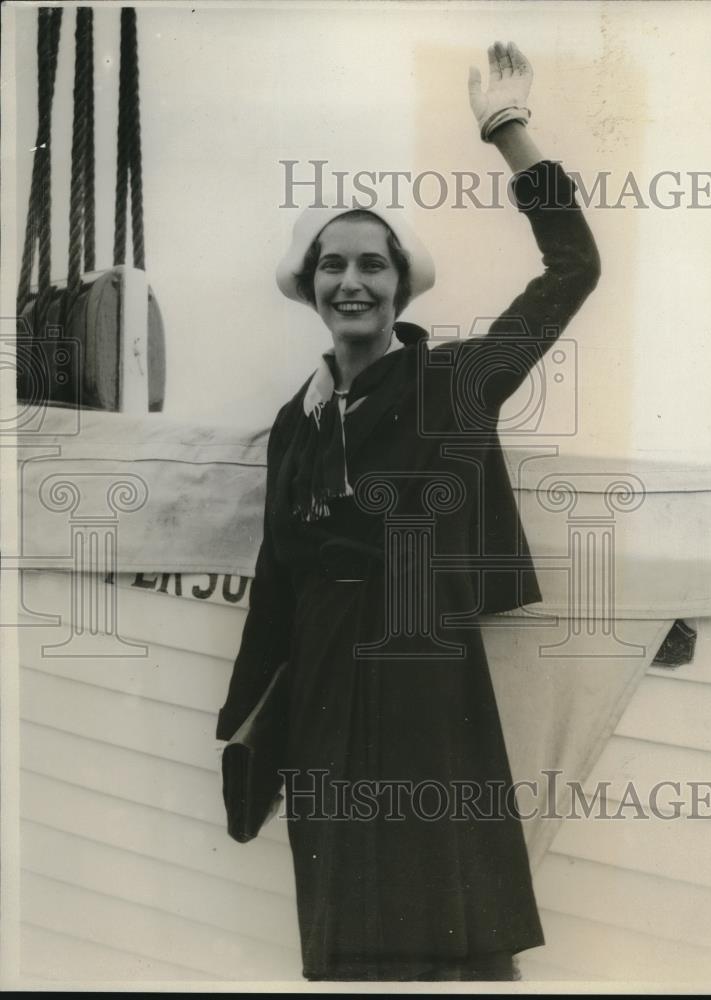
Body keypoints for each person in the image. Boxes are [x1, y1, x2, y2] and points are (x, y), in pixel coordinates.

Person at [216, 40, 600, 982]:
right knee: (346, 937)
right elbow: (277, 576)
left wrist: (507, 131)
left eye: (372, 266)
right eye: (333, 265)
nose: (352, 281)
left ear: (399, 285)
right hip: (319, 687)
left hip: (425, 677)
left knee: (452, 929)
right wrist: (239, 719)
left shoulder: (452, 384)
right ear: (309, 284)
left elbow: (573, 268)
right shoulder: (292, 423)